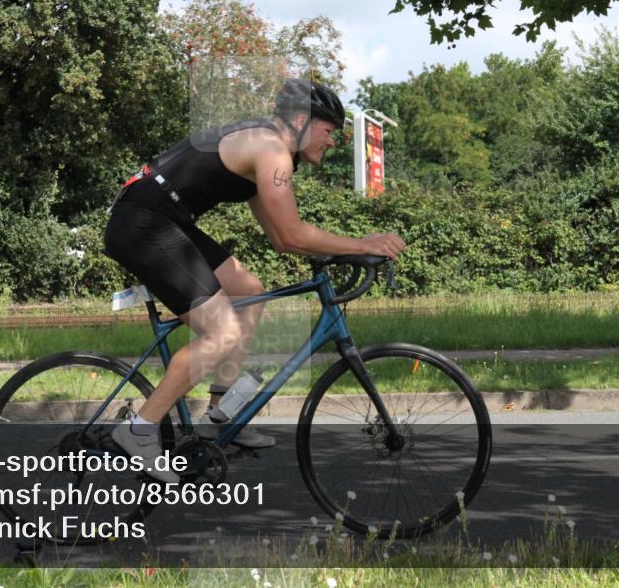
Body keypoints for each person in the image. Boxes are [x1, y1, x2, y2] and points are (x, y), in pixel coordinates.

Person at [104, 78, 406, 483]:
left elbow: (281, 238)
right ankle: (139, 431)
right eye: (329, 130)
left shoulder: (265, 147)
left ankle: (220, 412)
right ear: (301, 121)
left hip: (161, 219)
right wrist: (361, 244)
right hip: (146, 225)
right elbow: (294, 233)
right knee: (223, 333)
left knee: (249, 289)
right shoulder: (271, 151)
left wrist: (341, 251)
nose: (332, 141)